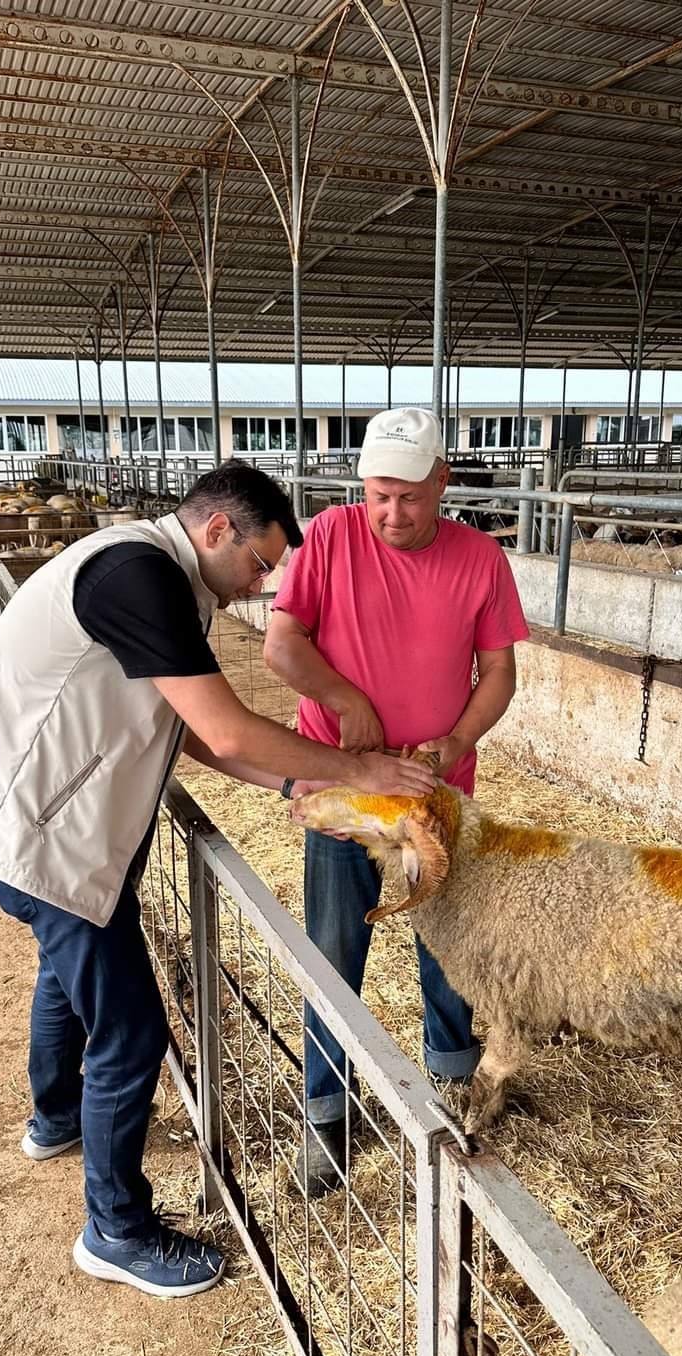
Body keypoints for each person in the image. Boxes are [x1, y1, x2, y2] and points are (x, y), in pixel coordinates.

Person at [0, 461, 434, 1301]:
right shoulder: (138, 574)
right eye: (261, 562)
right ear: (216, 531)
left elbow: (189, 723)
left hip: (36, 828)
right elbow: (226, 728)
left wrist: (293, 783)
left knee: (65, 981)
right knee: (130, 1035)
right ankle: (116, 1230)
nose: (264, 583)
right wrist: (360, 771)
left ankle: (54, 1121)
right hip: (44, 838)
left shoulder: (157, 578)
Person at [264, 407, 530, 1197]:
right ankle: (326, 1112)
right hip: (347, 791)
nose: (391, 513)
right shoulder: (329, 536)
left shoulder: (481, 559)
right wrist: (346, 701)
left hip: (435, 793)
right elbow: (282, 645)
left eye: (409, 497)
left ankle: (451, 1085)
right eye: (378, 494)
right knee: (335, 948)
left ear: (443, 482)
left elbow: (500, 676)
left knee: (446, 943)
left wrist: (451, 745)